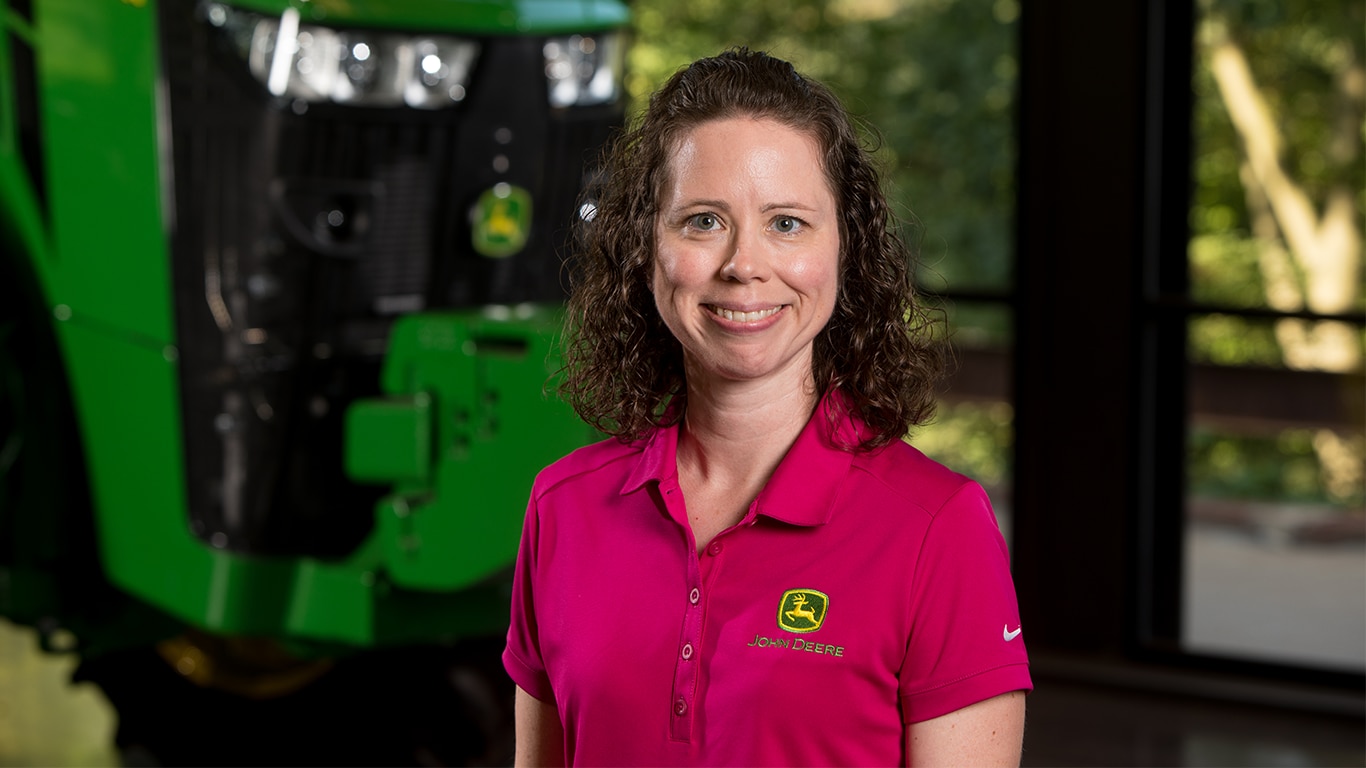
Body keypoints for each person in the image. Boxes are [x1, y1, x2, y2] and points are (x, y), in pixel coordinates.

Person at [503, 47, 1030, 766]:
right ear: (644, 246)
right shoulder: (563, 507)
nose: (744, 264)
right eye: (701, 222)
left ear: (844, 248)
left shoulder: (937, 528)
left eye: (787, 223)